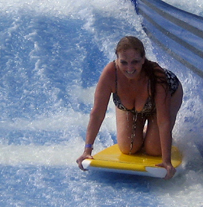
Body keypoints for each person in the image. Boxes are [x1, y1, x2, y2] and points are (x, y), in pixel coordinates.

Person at [76, 36, 183, 180]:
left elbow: (163, 121)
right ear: (117, 59)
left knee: (154, 150)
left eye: (135, 62)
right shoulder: (110, 74)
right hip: (130, 106)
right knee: (128, 148)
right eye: (124, 62)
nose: (130, 68)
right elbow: (97, 114)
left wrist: (167, 161)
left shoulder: (156, 76)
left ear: (143, 59)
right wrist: (87, 150)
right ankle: (146, 130)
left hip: (168, 96)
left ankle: (151, 131)